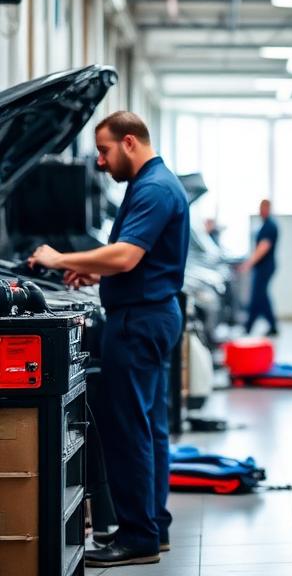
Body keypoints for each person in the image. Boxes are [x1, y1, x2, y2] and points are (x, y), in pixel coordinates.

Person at [29, 111, 190, 568]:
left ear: (130, 142)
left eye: (104, 150)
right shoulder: (152, 185)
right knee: (149, 427)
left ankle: (137, 536)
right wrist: (94, 271)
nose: (100, 161)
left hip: (139, 321)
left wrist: (60, 258)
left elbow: (125, 256)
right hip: (151, 315)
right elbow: (134, 261)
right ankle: (153, 527)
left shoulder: (154, 188)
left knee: (129, 429)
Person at [240, 199, 279, 336]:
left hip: (265, 267)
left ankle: (249, 327)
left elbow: (263, 247)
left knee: (258, 296)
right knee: (261, 296)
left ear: (268, 208)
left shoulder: (270, 226)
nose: (260, 211)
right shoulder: (266, 225)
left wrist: (248, 263)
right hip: (263, 267)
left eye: (262, 208)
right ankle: (270, 326)